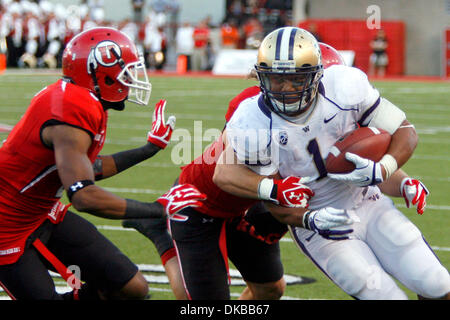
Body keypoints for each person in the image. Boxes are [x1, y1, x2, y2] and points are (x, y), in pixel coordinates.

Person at [214, 27, 450, 300]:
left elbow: (403, 130)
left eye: (296, 79)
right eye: (276, 79)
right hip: (319, 225)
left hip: (369, 203)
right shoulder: (251, 119)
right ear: (261, 77)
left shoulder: (345, 87)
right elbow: (272, 202)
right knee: (384, 296)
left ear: (318, 74)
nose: (286, 89)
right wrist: (309, 218)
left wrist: (386, 170)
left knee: (436, 284)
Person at [0, 27, 205, 300]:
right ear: (99, 72)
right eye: (125, 72)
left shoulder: (83, 99)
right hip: (7, 229)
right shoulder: (72, 107)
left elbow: (89, 167)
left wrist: (149, 149)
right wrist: (157, 211)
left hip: (42, 213)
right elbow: (84, 196)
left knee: (131, 287)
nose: (131, 80)